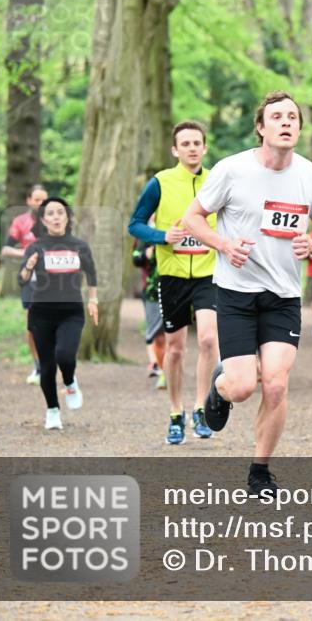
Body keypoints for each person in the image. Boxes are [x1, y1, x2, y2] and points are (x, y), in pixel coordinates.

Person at [183, 90, 312, 495]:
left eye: (292, 117)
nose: (286, 122)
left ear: (299, 128)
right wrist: (223, 245)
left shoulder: (310, 175)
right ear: (261, 127)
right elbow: (192, 218)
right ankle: (221, 385)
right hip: (236, 294)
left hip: (283, 297)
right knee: (242, 387)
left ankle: (260, 471)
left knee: (275, 383)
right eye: (277, 116)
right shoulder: (232, 170)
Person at [128, 121, 218, 445]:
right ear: (174, 150)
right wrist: (162, 236)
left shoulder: (216, 181)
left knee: (208, 339)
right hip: (173, 275)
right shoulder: (160, 183)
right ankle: (176, 413)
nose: (192, 148)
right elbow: (134, 225)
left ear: (205, 148)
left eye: (197, 143)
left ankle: (201, 409)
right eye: (186, 143)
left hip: (209, 274)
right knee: (176, 349)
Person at [19, 197, 98, 430]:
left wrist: (93, 299)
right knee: (47, 365)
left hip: (71, 311)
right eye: (50, 214)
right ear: (43, 220)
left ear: (67, 217)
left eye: (60, 213)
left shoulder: (79, 246)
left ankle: (71, 381)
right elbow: (21, 279)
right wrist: (29, 266)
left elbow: (91, 274)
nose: (56, 217)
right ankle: (52, 410)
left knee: (65, 355)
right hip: (41, 312)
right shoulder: (35, 247)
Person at [1, 184, 48, 384]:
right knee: (32, 325)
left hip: (52, 279)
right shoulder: (20, 222)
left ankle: (51, 365)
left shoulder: (54, 220)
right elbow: (5, 249)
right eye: (37, 199)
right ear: (29, 200)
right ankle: (37, 366)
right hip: (29, 277)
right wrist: (26, 253)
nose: (41, 203)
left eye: (44, 200)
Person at [132, 238, 167, 390]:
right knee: (158, 337)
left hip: (177, 288)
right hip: (152, 291)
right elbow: (135, 258)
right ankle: (163, 371)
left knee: (175, 337)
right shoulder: (145, 236)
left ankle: (172, 369)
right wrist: (145, 254)